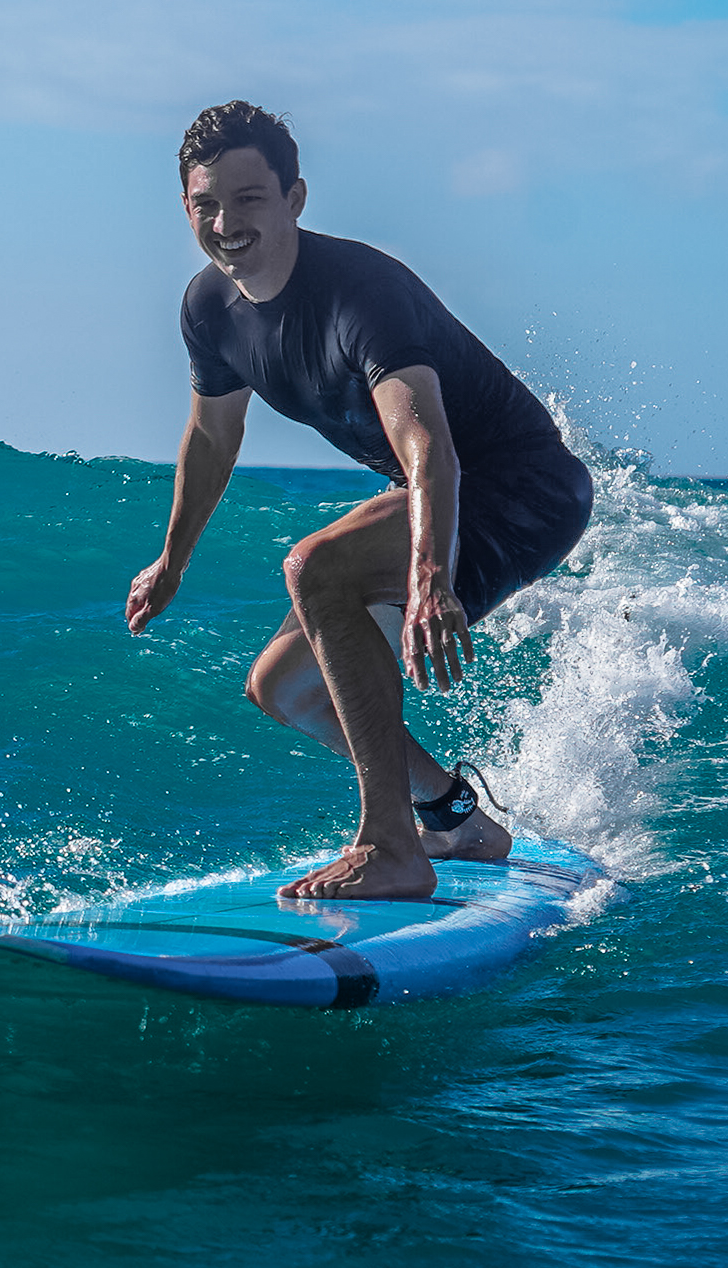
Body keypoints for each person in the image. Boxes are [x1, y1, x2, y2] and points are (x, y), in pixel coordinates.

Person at [126, 102, 593, 902]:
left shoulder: (358, 293)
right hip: (431, 490)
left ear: (294, 198)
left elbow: (426, 443)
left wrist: (431, 577)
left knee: (318, 569)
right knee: (283, 685)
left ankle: (393, 849)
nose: (227, 222)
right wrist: (173, 561)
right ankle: (452, 816)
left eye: (249, 199)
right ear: (185, 208)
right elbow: (211, 437)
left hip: (520, 490)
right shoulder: (210, 309)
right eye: (207, 204)